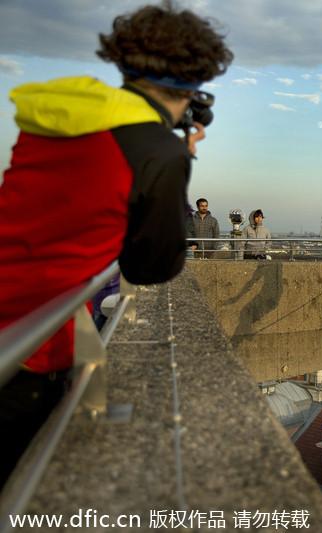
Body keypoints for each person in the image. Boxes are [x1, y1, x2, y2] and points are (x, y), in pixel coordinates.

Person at [0, 2, 233, 484]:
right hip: (32, 337)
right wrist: (176, 163)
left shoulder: (64, 115)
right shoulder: (157, 150)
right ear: (192, 87)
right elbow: (154, 264)